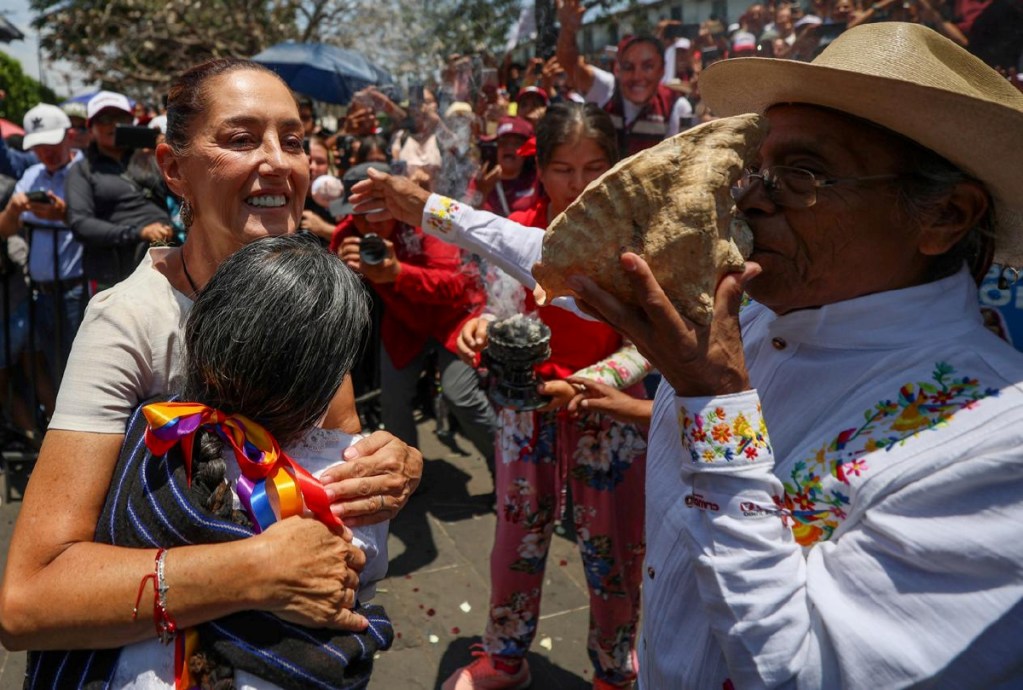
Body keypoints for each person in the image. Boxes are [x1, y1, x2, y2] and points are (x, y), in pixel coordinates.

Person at [349, 22, 1023, 687]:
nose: (752, 198)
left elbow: (804, 672)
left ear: (943, 216)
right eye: (755, 170)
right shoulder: (753, 300)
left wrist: (715, 405)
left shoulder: (994, 449)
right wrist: (430, 208)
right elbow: (569, 262)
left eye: (802, 175)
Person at [0, 57, 421, 671]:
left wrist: (390, 468)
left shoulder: (306, 297)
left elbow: (336, 460)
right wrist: (250, 570)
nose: (278, 161)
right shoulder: (129, 321)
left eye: (294, 140)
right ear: (174, 169)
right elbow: (28, 600)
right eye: (241, 140)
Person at [27, 233, 394, 687]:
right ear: (327, 381)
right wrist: (255, 569)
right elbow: (367, 574)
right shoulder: (353, 477)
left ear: (197, 339)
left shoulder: (155, 434)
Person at [441, 103, 651, 690]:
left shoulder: (633, 239)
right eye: (563, 168)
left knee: (615, 549)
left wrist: (587, 385)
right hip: (525, 408)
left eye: (594, 166)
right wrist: (479, 326)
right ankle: (505, 658)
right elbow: (493, 310)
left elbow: (649, 345)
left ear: (616, 165)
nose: (578, 184)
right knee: (517, 534)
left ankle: (614, 668)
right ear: (541, 167)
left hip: (606, 413)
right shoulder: (515, 228)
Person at [330, 161, 498, 468]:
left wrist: (397, 273)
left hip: (457, 320)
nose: (370, 226)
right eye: (361, 216)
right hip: (405, 322)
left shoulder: (426, 225)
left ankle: (504, 467)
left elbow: (457, 286)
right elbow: (332, 288)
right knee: (393, 403)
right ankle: (403, 474)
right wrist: (341, 270)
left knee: (460, 396)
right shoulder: (349, 236)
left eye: (378, 215)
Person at [0, 103, 85, 387]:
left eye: (51, 142)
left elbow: (100, 224)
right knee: (56, 369)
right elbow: (5, 229)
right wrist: (13, 211)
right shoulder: (32, 175)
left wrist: (66, 215)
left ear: (69, 136)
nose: (45, 152)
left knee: (82, 372)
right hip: (41, 294)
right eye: (38, 146)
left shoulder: (86, 171)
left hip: (78, 290)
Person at [66, 90, 175, 288]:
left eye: (121, 117)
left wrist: (169, 157)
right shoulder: (82, 170)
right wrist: (138, 233)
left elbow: (186, 192)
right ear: (91, 129)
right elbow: (80, 224)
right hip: (114, 273)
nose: (114, 124)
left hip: (165, 263)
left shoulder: (151, 157)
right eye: (105, 119)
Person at [556, 0, 693, 157]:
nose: (638, 77)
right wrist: (567, 30)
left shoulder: (676, 105)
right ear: (617, 69)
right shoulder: (606, 88)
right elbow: (570, 65)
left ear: (662, 70)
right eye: (628, 67)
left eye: (648, 67)